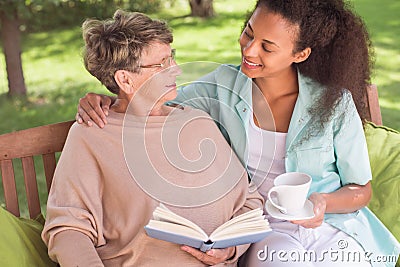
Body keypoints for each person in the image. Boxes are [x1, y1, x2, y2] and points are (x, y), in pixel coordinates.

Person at [76, 1, 400, 267]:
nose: (250, 49)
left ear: (299, 55)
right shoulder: (221, 87)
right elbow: (157, 100)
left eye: (267, 47)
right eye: (248, 33)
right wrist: (107, 96)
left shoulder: (333, 103)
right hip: (261, 229)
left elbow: (361, 190)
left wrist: (322, 202)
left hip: (331, 225)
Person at [41, 10, 265, 267]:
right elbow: (68, 229)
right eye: (161, 64)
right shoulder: (92, 134)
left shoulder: (196, 122)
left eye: (172, 58)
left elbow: (249, 200)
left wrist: (231, 249)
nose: (177, 70)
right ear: (125, 79)